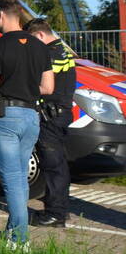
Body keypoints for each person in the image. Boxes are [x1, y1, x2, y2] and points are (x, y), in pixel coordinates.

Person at [0, 0, 54, 250]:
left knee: (12, 179)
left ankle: (19, 240)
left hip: (6, 118)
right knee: (20, 178)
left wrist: (8, 86)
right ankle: (12, 231)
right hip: (31, 117)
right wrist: (25, 87)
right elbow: (48, 87)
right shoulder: (41, 46)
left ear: (1, 14)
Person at [25, 18, 77, 229]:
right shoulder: (63, 49)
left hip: (51, 115)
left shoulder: (51, 53)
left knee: (53, 165)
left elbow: (45, 84)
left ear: (39, 35)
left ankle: (56, 214)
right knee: (59, 165)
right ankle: (60, 208)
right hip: (60, 113)